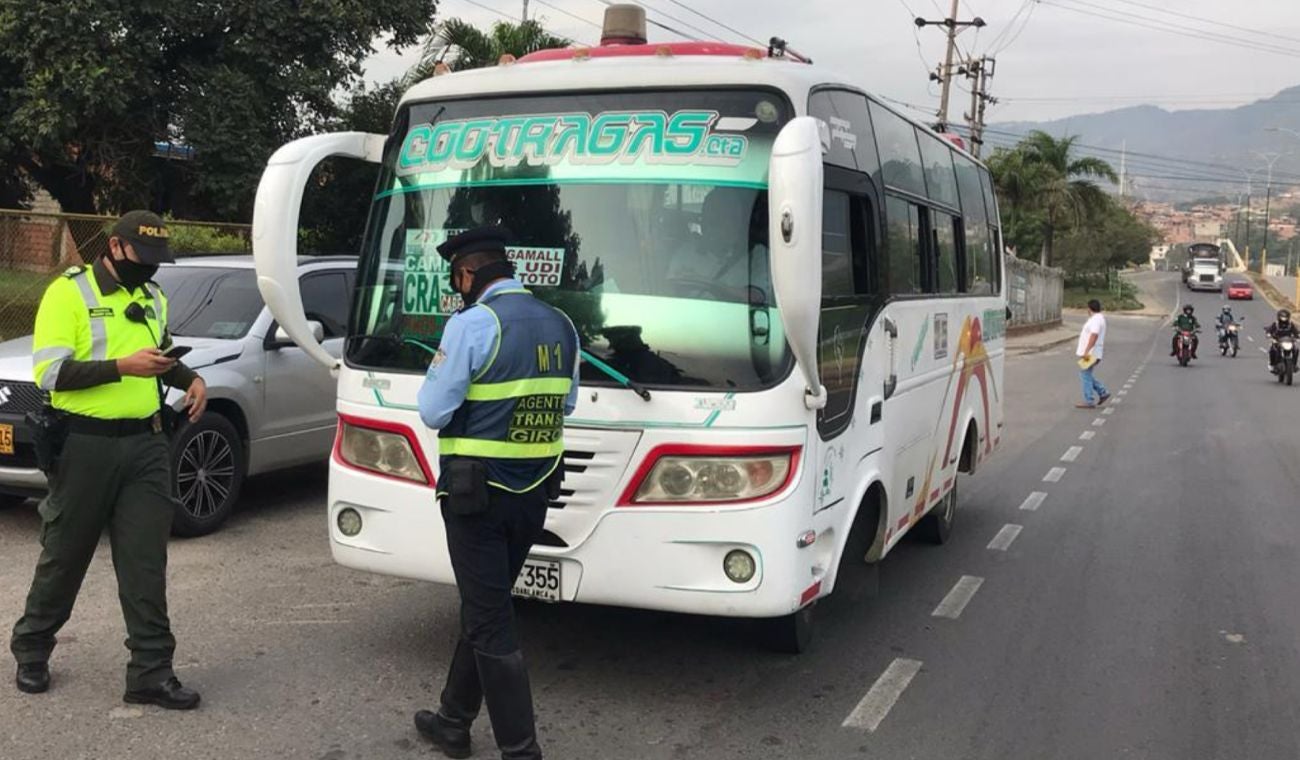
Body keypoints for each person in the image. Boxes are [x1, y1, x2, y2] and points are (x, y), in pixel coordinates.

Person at [11, 210, 207, 709]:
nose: (152, 269)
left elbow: (159, 352)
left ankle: (150, 671)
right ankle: (32, 650)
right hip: (85, 446)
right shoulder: (68, 293)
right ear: (116, 248)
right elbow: (50, 374)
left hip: (147, 445)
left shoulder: (151, 296)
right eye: (145, 258)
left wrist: (190, 379)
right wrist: (123, 367)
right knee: (66, 554)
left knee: (146, 561)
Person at [414, 225, 579, 760]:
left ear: (468, 274)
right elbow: (566, 404)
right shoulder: (561, 324)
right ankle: (452, 719)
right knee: (487, 606)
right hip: (533, 495)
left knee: (489, 619)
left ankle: (521, 751)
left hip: (476, 497)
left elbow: (434, 410)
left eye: (456, 277)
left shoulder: (471, 325)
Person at [1075, 299, 1110, 409]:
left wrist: (1086, 351)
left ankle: (1089, 400)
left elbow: (1094, 335)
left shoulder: (1096, 320)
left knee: (1085, 374)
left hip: (1091, 352)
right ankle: (1102, 392)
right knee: (1086, 374)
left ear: (1089, 308)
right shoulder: (1098, 318)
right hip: (1094, 352)